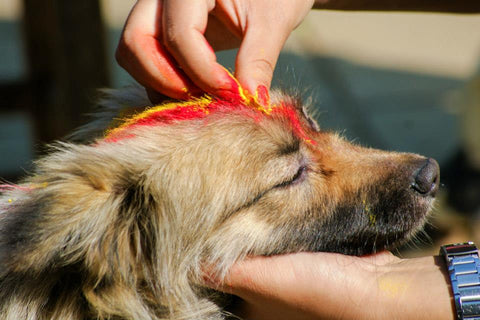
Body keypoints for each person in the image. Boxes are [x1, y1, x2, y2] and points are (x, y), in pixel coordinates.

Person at [116, 1, 480, 319]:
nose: (412, 167)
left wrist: (395, 300)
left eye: (312, 122)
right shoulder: (112, 245)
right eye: (291, 175)